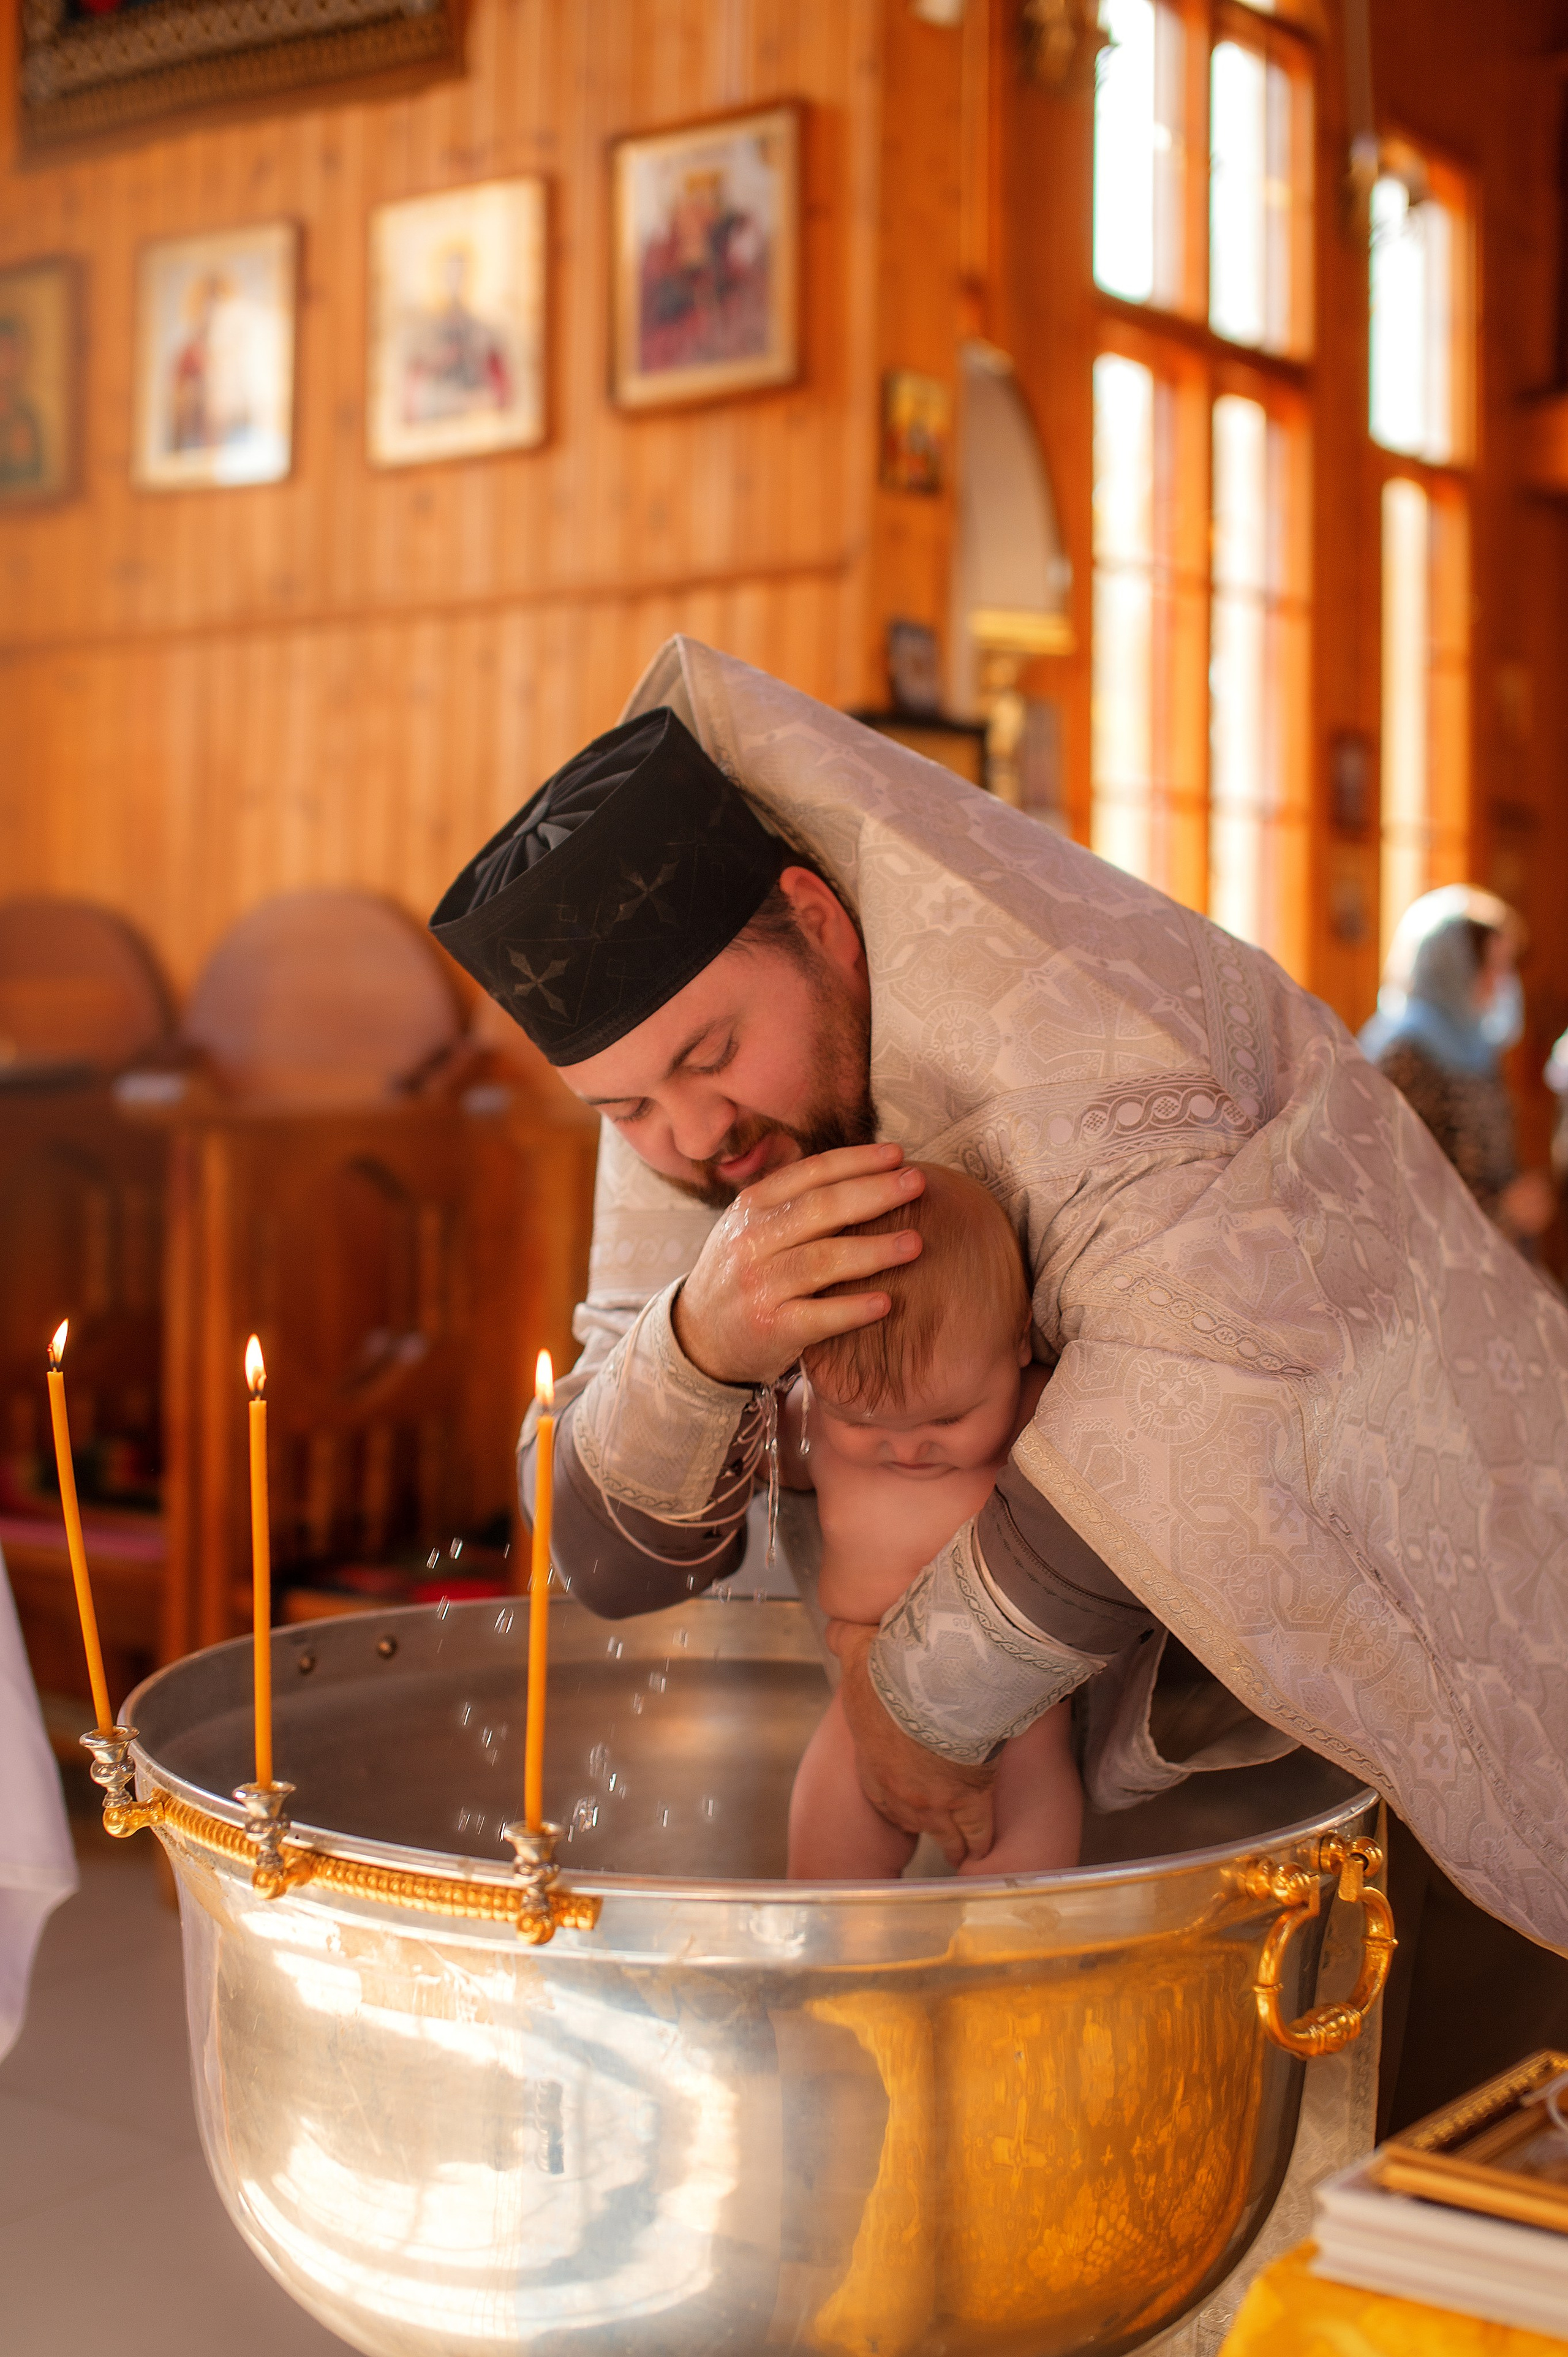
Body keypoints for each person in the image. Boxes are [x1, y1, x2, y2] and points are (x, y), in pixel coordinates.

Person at [428, 639, 1568, 2025]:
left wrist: (909, 1703)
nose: (683, 1138)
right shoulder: (700, 1115)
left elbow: (1204, 1407)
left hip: (1388, 1653)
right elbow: (605, 1549)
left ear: (818, 919)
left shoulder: (1061, 1025)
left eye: (708, 1060)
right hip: (1098, 1756)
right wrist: (700, 1339)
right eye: (624, 1110)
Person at [782, 1164, 1082, 1880]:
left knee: (1015, 1893)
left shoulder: (1036, 1409)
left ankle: (996, 1973)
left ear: (1017, 1345)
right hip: (861, 1696)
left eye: (947, 1419)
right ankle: (832, 1982)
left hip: (1013, 1711)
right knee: (818, 1883)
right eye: (860, 1420)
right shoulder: (806, 1415)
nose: (908, 1446)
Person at [1360, 885, 1555, 1247]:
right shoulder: (1403, 1053)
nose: (1500, 984)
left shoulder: (1478, 1047)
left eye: (1505, 968)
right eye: (1490, 968)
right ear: (1450, 967)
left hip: (1489, 1249)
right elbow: (1388, 1179)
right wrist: (1501, 1210)